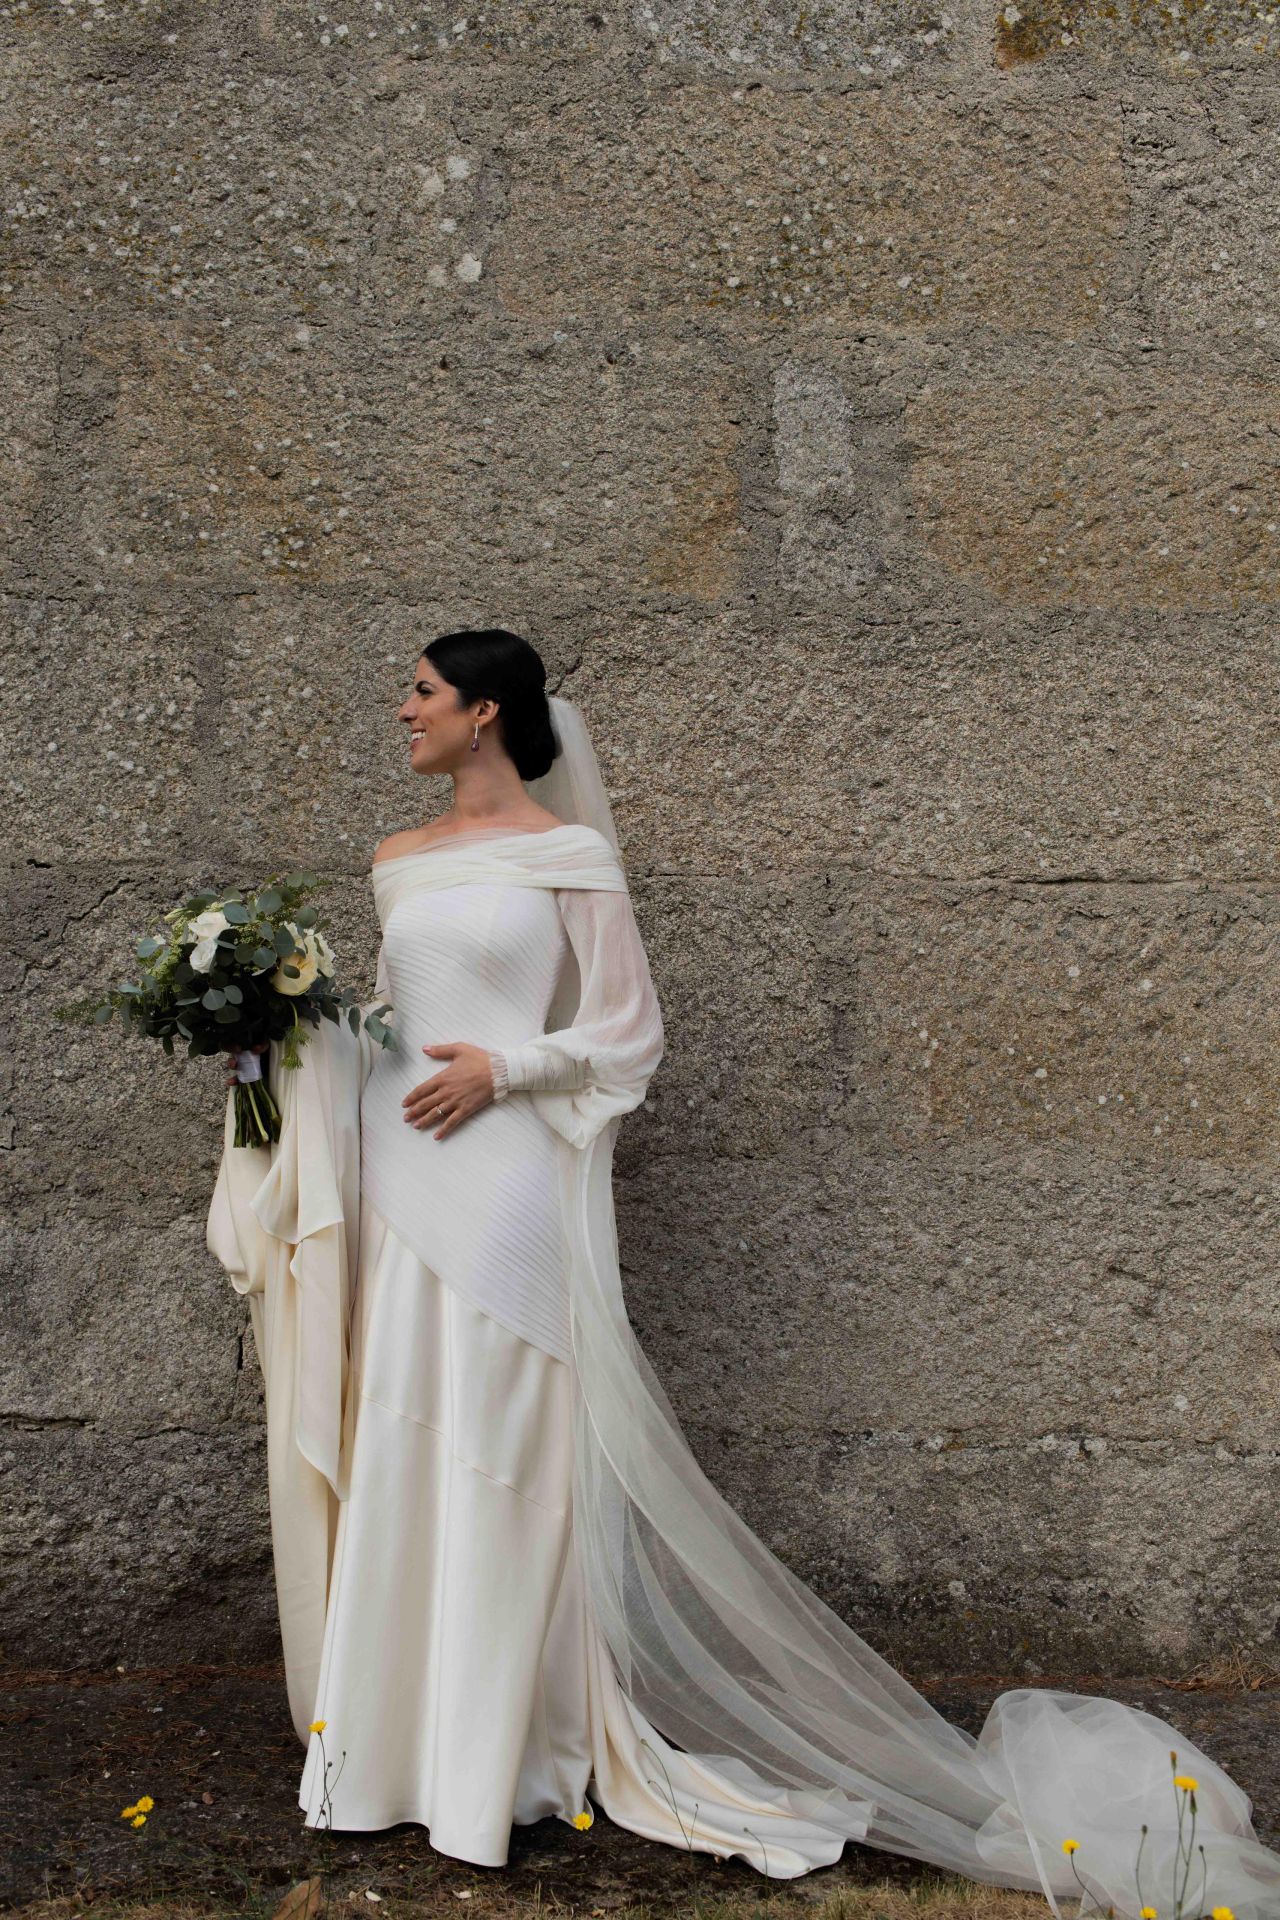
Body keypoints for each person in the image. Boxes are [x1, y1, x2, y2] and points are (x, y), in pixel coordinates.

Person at [209, 629, 1280, 1917]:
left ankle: (497, 1758)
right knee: (404, 1430)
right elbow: (389, 1020)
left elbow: (627, 1029)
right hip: (402, 1171)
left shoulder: (569, 853)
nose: (405, 711)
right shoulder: (395, 859)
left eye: (423, 691)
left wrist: (510, 1066)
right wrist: (269, 1035)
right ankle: (399, 1752)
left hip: (502, 1182)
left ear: (484, 711)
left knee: (496, 1438)